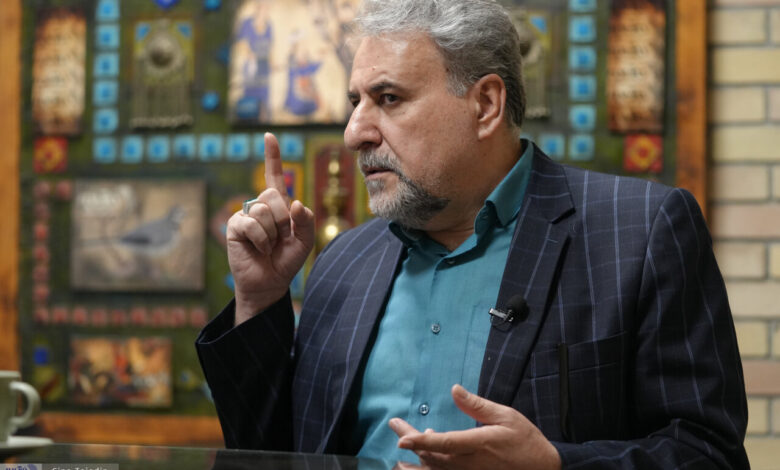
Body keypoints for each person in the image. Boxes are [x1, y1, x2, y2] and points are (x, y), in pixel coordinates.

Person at [196, 0, 749, 468]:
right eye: (355, 102)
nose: (355, 132)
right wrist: (259, 299)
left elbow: (708, 452)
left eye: (388, 99)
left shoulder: (641, 231)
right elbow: (275, 451)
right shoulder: (344, 261)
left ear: (485, 104)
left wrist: (554, 465)